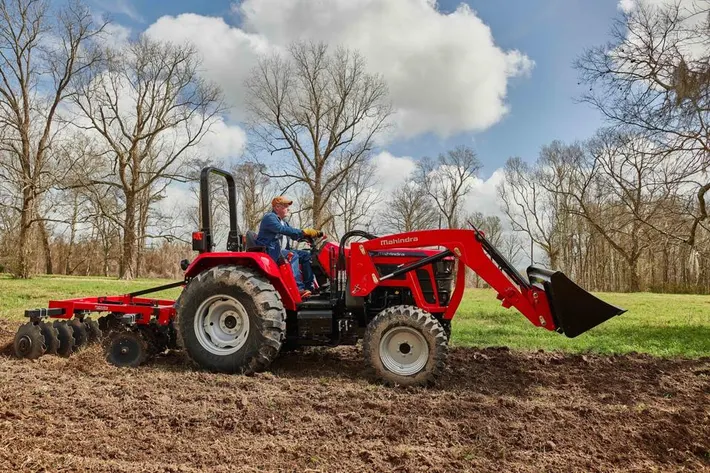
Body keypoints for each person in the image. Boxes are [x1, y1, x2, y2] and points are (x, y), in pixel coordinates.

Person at [255, 196, 321, 298]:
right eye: (285, 206)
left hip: (282, 251)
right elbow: (281, 229)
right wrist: (303, 231)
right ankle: (298, 289)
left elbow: (293, 235)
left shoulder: (283, 221)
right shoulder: (270, 218)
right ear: (277, 207)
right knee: (292, 255)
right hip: (271, 252)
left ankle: (310, 287)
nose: (288, 209)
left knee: (306, 255)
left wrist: (309, 235)